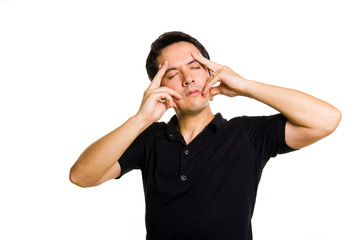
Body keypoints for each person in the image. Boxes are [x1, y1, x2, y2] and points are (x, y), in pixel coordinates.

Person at [69, 31, 341, 240]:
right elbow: (81, 176)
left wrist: (246, 86)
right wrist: (141, 119)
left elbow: (327, 120)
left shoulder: (246, 134)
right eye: (173, 73)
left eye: (195, 67)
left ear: (210, 71)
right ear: (158, 86)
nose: (187, 78)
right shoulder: (149, 138)